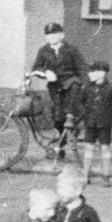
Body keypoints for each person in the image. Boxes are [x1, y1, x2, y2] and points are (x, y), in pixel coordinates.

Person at [31, 22, 88, 156]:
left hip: (71, 83)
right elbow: (36, 68)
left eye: (55, 34)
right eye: (48, 35)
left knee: (71, 102)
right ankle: (60, 147)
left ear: (62, 35)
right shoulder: (43, 51)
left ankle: (71, 119)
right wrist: (45, 72)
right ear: (46, 37)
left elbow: (82, 67)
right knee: (57, 115)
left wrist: (84, 84)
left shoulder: (71, 49)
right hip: (55, 87)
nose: (52, 37)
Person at [76, 59, 111, 177]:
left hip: (105, 124)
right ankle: (86, 173)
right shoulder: (87, 88)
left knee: (105, 148)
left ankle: (106, 174)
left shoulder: (110, 89)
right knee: (88, 147)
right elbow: (79, 102)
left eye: (92, 72)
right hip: (90, 123)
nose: (89, 74)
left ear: (102, 73)